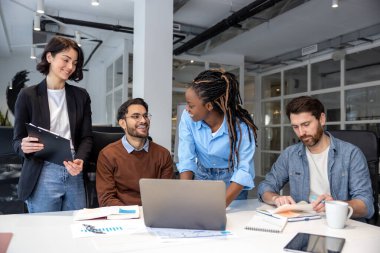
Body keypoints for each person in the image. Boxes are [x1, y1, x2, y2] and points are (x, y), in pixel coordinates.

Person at [257, 96, 374, 219]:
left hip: (340, 225)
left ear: (322, 119)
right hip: (303, 223)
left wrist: (334, 206)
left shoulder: (351, 154)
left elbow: (366, 205)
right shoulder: (290, 154)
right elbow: (265, 186)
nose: (301, 133)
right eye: (295, 127)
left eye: (306, 124)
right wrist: (276, 198)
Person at [13, 36, 93, 213]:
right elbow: (17, 140)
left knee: (75, 227)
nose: (70, 67)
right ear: (49, 57)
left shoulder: (81, 96)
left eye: (74, 62)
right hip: (42, 169)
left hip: (74, 168)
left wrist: (80, 159)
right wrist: (23, 146)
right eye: (65, 60)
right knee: (44, 230)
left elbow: (86, 137)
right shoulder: (28, 95)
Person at [177, 69, 258, 207]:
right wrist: (184, 194)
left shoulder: (241, 127)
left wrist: (218, 207)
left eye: (191, 105)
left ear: (208, 106)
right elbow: (186, 158)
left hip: (231, 181)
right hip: (202, 175)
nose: (187, 109)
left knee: (232, 223)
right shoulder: (188, 118)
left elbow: (244, 170)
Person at [96, 98, 173, 206]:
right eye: (136, 116)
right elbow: (106, 199)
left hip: (152, 215)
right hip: (121, 217)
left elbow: (166, 195)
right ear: (123, 123)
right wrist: (133, 214)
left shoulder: (163, 154)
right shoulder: (107, 155)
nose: (143, 121)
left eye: (145, 116)